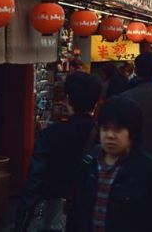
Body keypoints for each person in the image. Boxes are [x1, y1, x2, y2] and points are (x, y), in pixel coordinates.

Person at [66, 97, 152, 231]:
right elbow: (75, 213)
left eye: (117, 130)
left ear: (132, 133)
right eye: (105, 128)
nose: (110, 135)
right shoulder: (89, 163)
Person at [16, 72, 102, 231]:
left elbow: (35, 179)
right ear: (96, 102)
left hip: (55, 213)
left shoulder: (50, 135)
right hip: (90, 214)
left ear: (67, 100)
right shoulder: (102, 137)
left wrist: (22, 217)